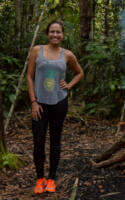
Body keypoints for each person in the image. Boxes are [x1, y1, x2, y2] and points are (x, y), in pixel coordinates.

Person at [26, 20, 84, 194]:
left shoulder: (67, 55)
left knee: (55, 141)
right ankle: (39, 179)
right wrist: (33, 102)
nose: (55, 35)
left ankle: (51, 179)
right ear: (47, 33)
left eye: (58, 32)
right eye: (52, 31)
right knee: (38, 141)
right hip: (40, 104)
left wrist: (69, 85)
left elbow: (80, 73)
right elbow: (29, 77)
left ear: (62, 35)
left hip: (59, 102)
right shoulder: (37, 50)